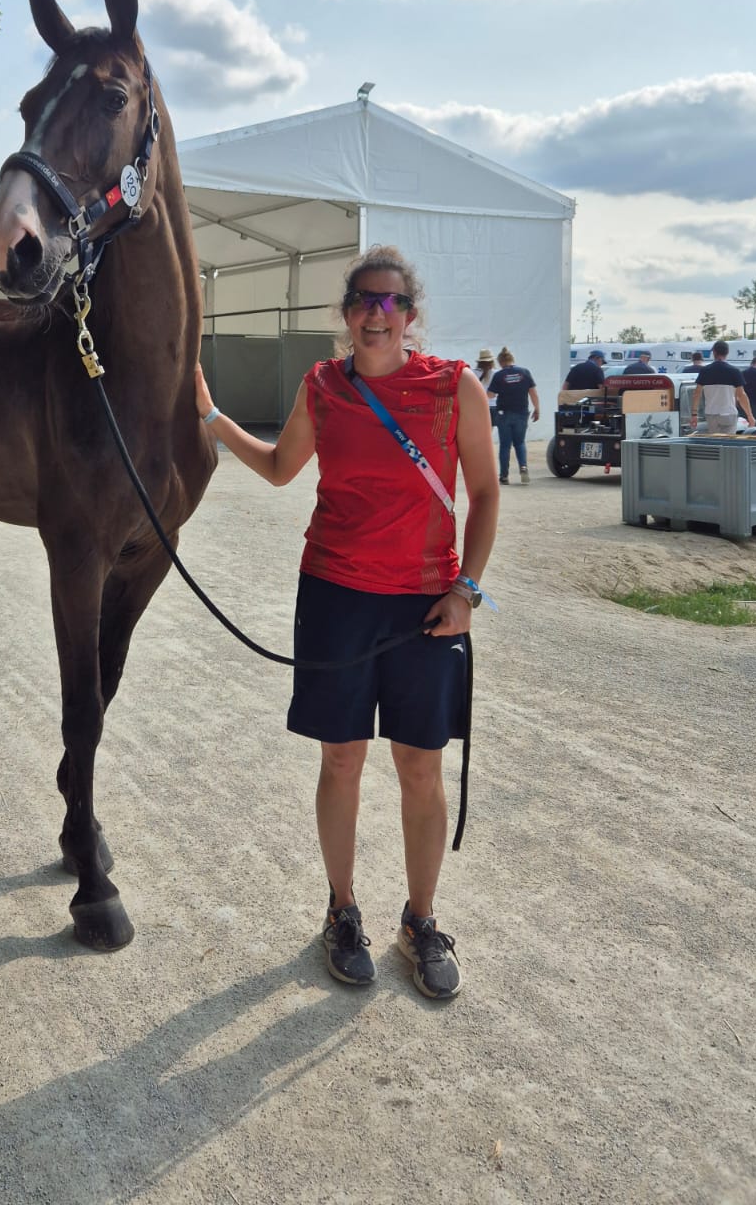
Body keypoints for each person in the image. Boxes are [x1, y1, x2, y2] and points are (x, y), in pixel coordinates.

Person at [193, 245, 499, 1000]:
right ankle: (341, 910)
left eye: (390, 301)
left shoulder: (453, 387)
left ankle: (420, 922)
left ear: (410, 315)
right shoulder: (323, 387)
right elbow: (277, 467)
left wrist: (467, 590)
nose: (375, 312)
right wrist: (209, 418)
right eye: (363, 299)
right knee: (341, 760)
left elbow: (486, 494)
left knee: (420, 766)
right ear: (345, 313)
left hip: (426, 605)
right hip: (334, 594)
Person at [488, 347, 540, 485]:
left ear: (500, 362)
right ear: (512, 359)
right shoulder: (524, 372)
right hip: (521, 413)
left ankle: (504, 476)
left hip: (503, 414)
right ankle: (523, 467)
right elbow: (533, 393)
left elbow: (491, 395)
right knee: (520, 442)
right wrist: (537, 409)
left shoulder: (499, 375)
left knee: (505, 445)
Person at [690, 340, 755, 435]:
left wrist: (694, 414)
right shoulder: (734, 371)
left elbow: (697, 393)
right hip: (729, 413)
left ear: (714, 352)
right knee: (728, 444)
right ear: (727, 353)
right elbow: (741, 395)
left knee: (715, 443)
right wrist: (750, 415)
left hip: (711, 413)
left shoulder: (705, 371)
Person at [474, 348, 497, 427]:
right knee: (489, 432)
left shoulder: (472, 373)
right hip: (493, 406)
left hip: (478, 406)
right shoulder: (496, 373)